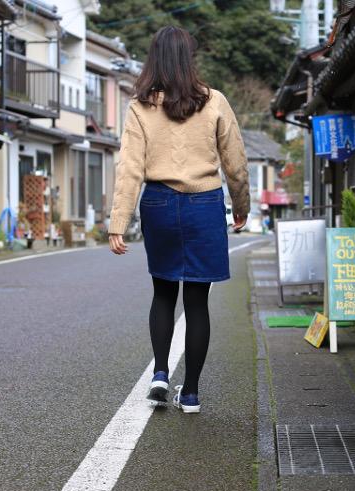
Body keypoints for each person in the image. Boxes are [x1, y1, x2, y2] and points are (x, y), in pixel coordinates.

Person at [108, 26, 249, 414]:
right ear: (190, 58)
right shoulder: (214, 101)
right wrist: (241, 205)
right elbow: (235, 162)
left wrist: (118, 221)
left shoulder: (140, 107)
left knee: (163, 292)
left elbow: (130, 167)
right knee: (198, 301)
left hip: (158, 204)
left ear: (153, 59)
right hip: (204, 203)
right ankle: (191, 393)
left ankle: (159, 373)